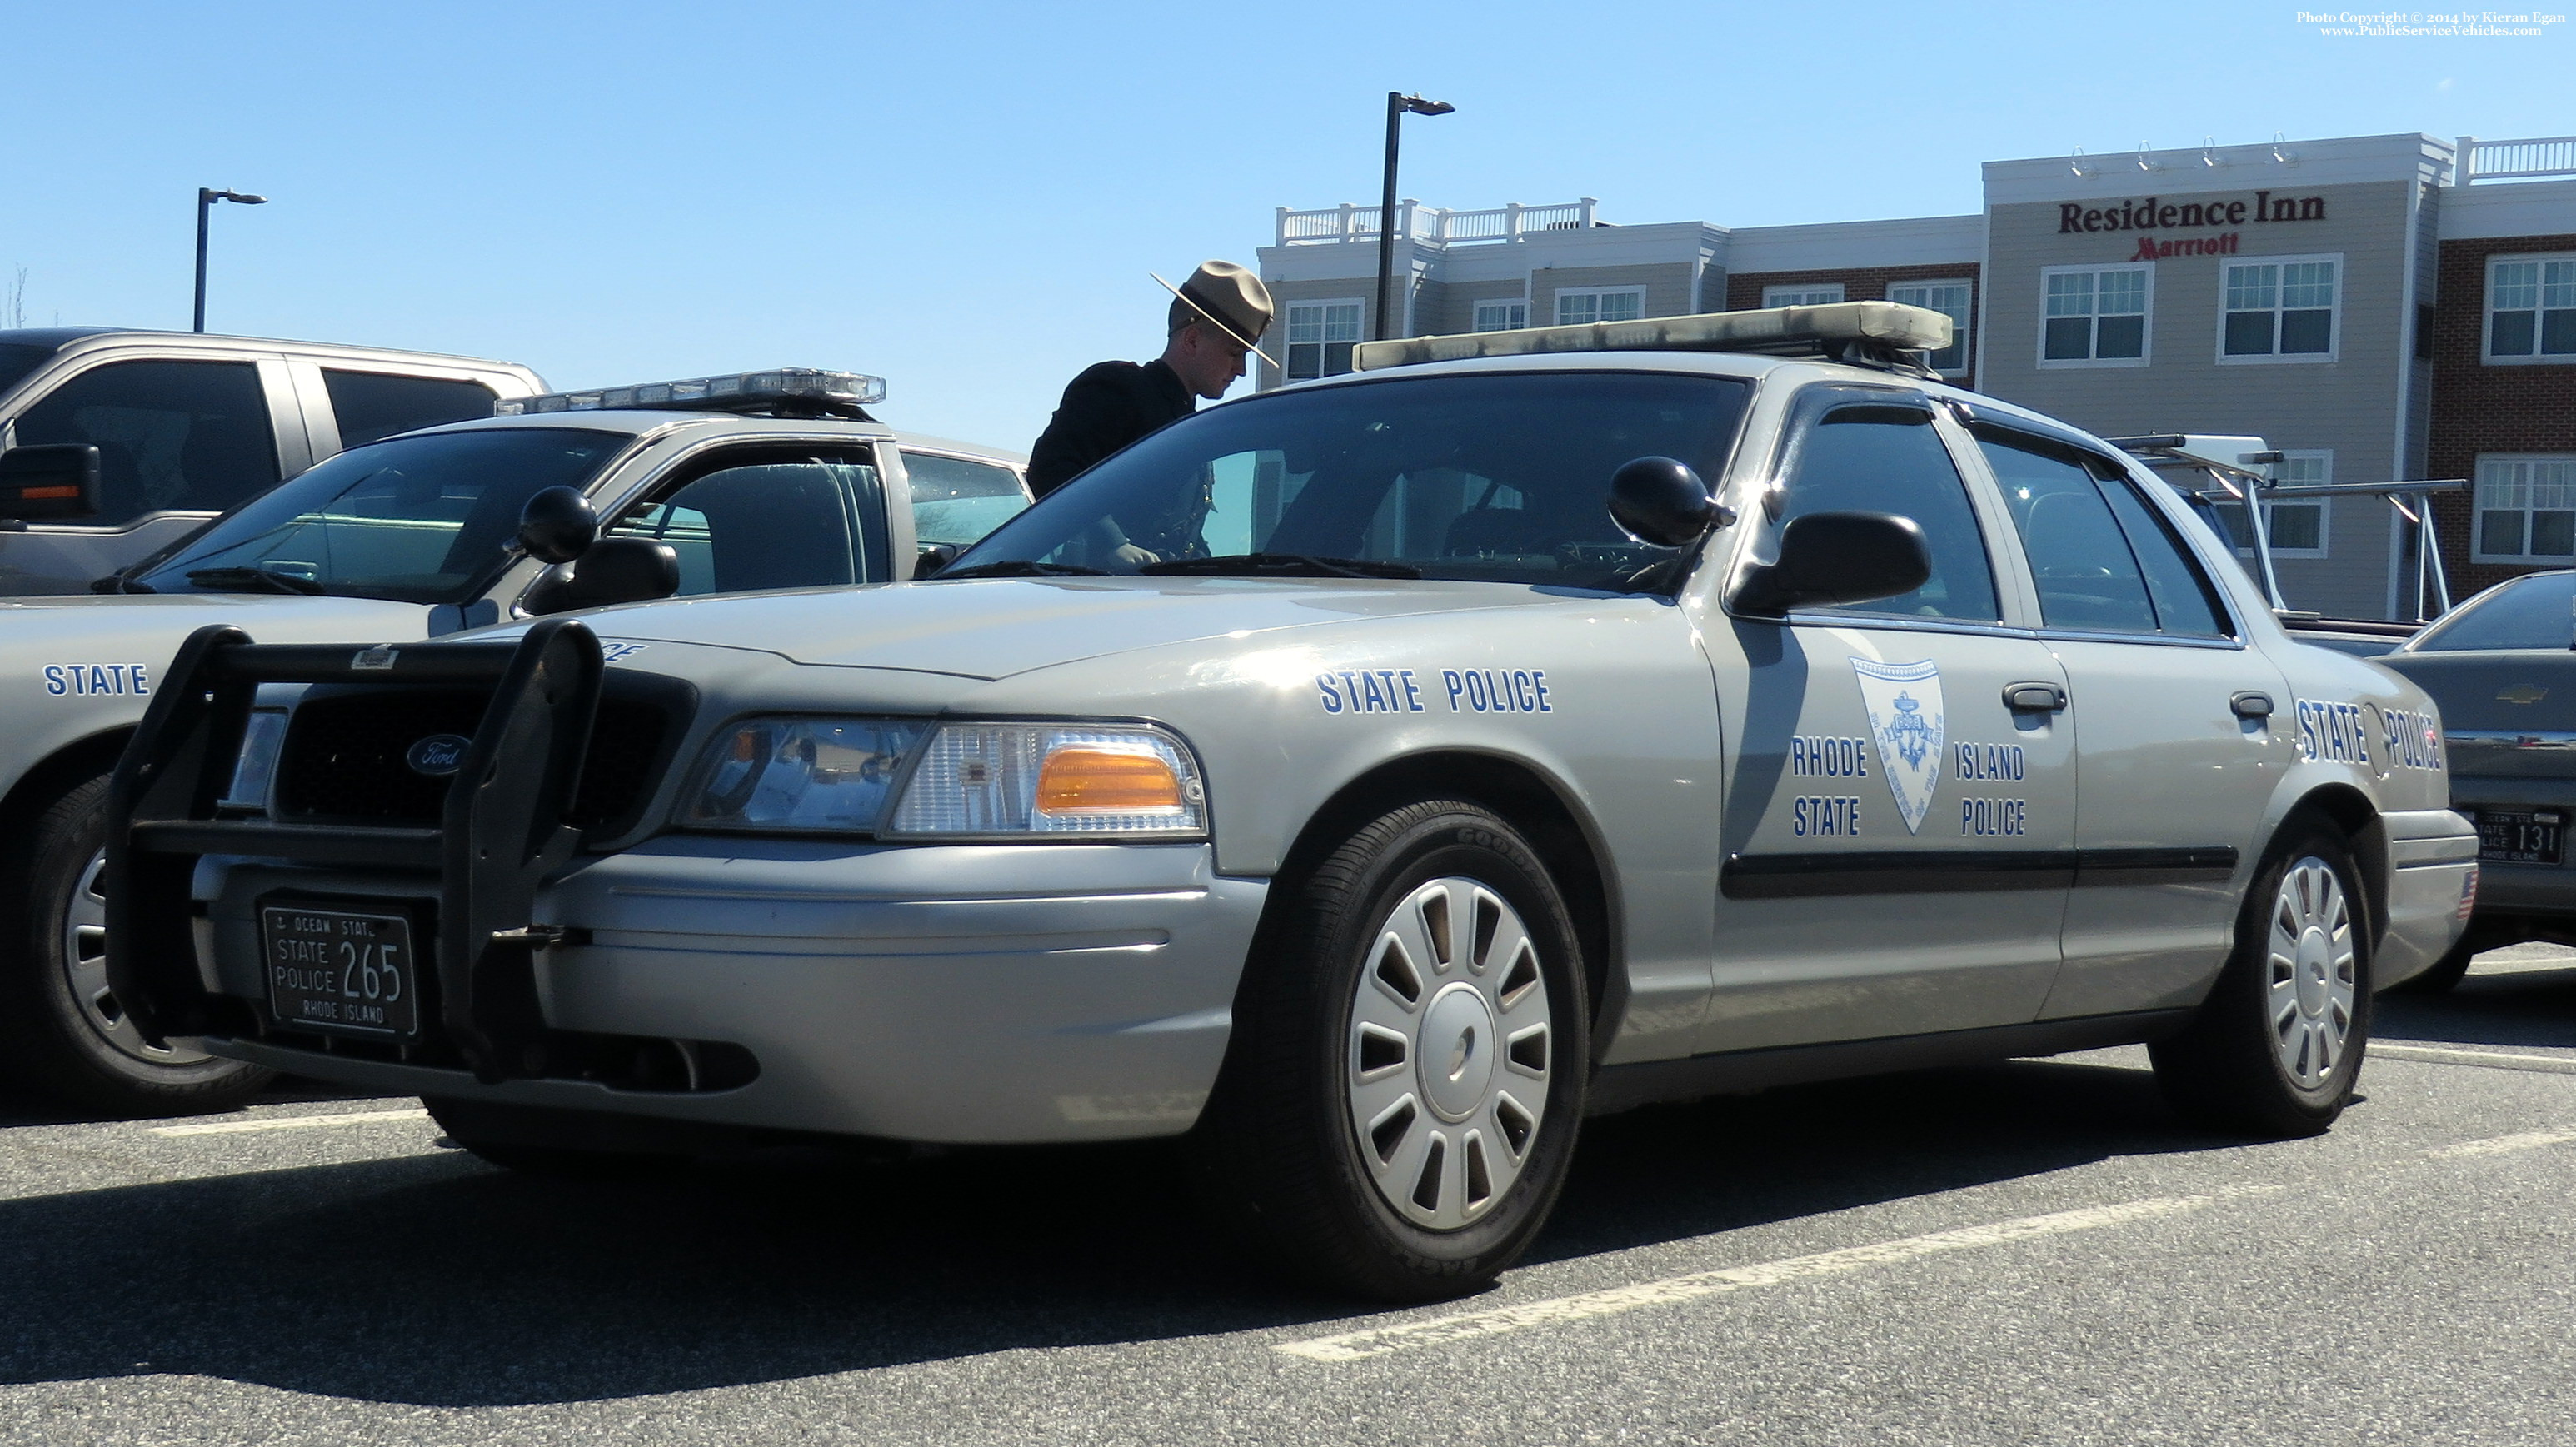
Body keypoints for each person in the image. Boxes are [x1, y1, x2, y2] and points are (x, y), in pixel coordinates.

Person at [1026, 260, 1273, 499]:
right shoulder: (1117, 390)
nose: (1241, 370)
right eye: (1234, 353)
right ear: (1192, 340)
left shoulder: (1190, 422)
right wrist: (1112, 541)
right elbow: (1051, 472)